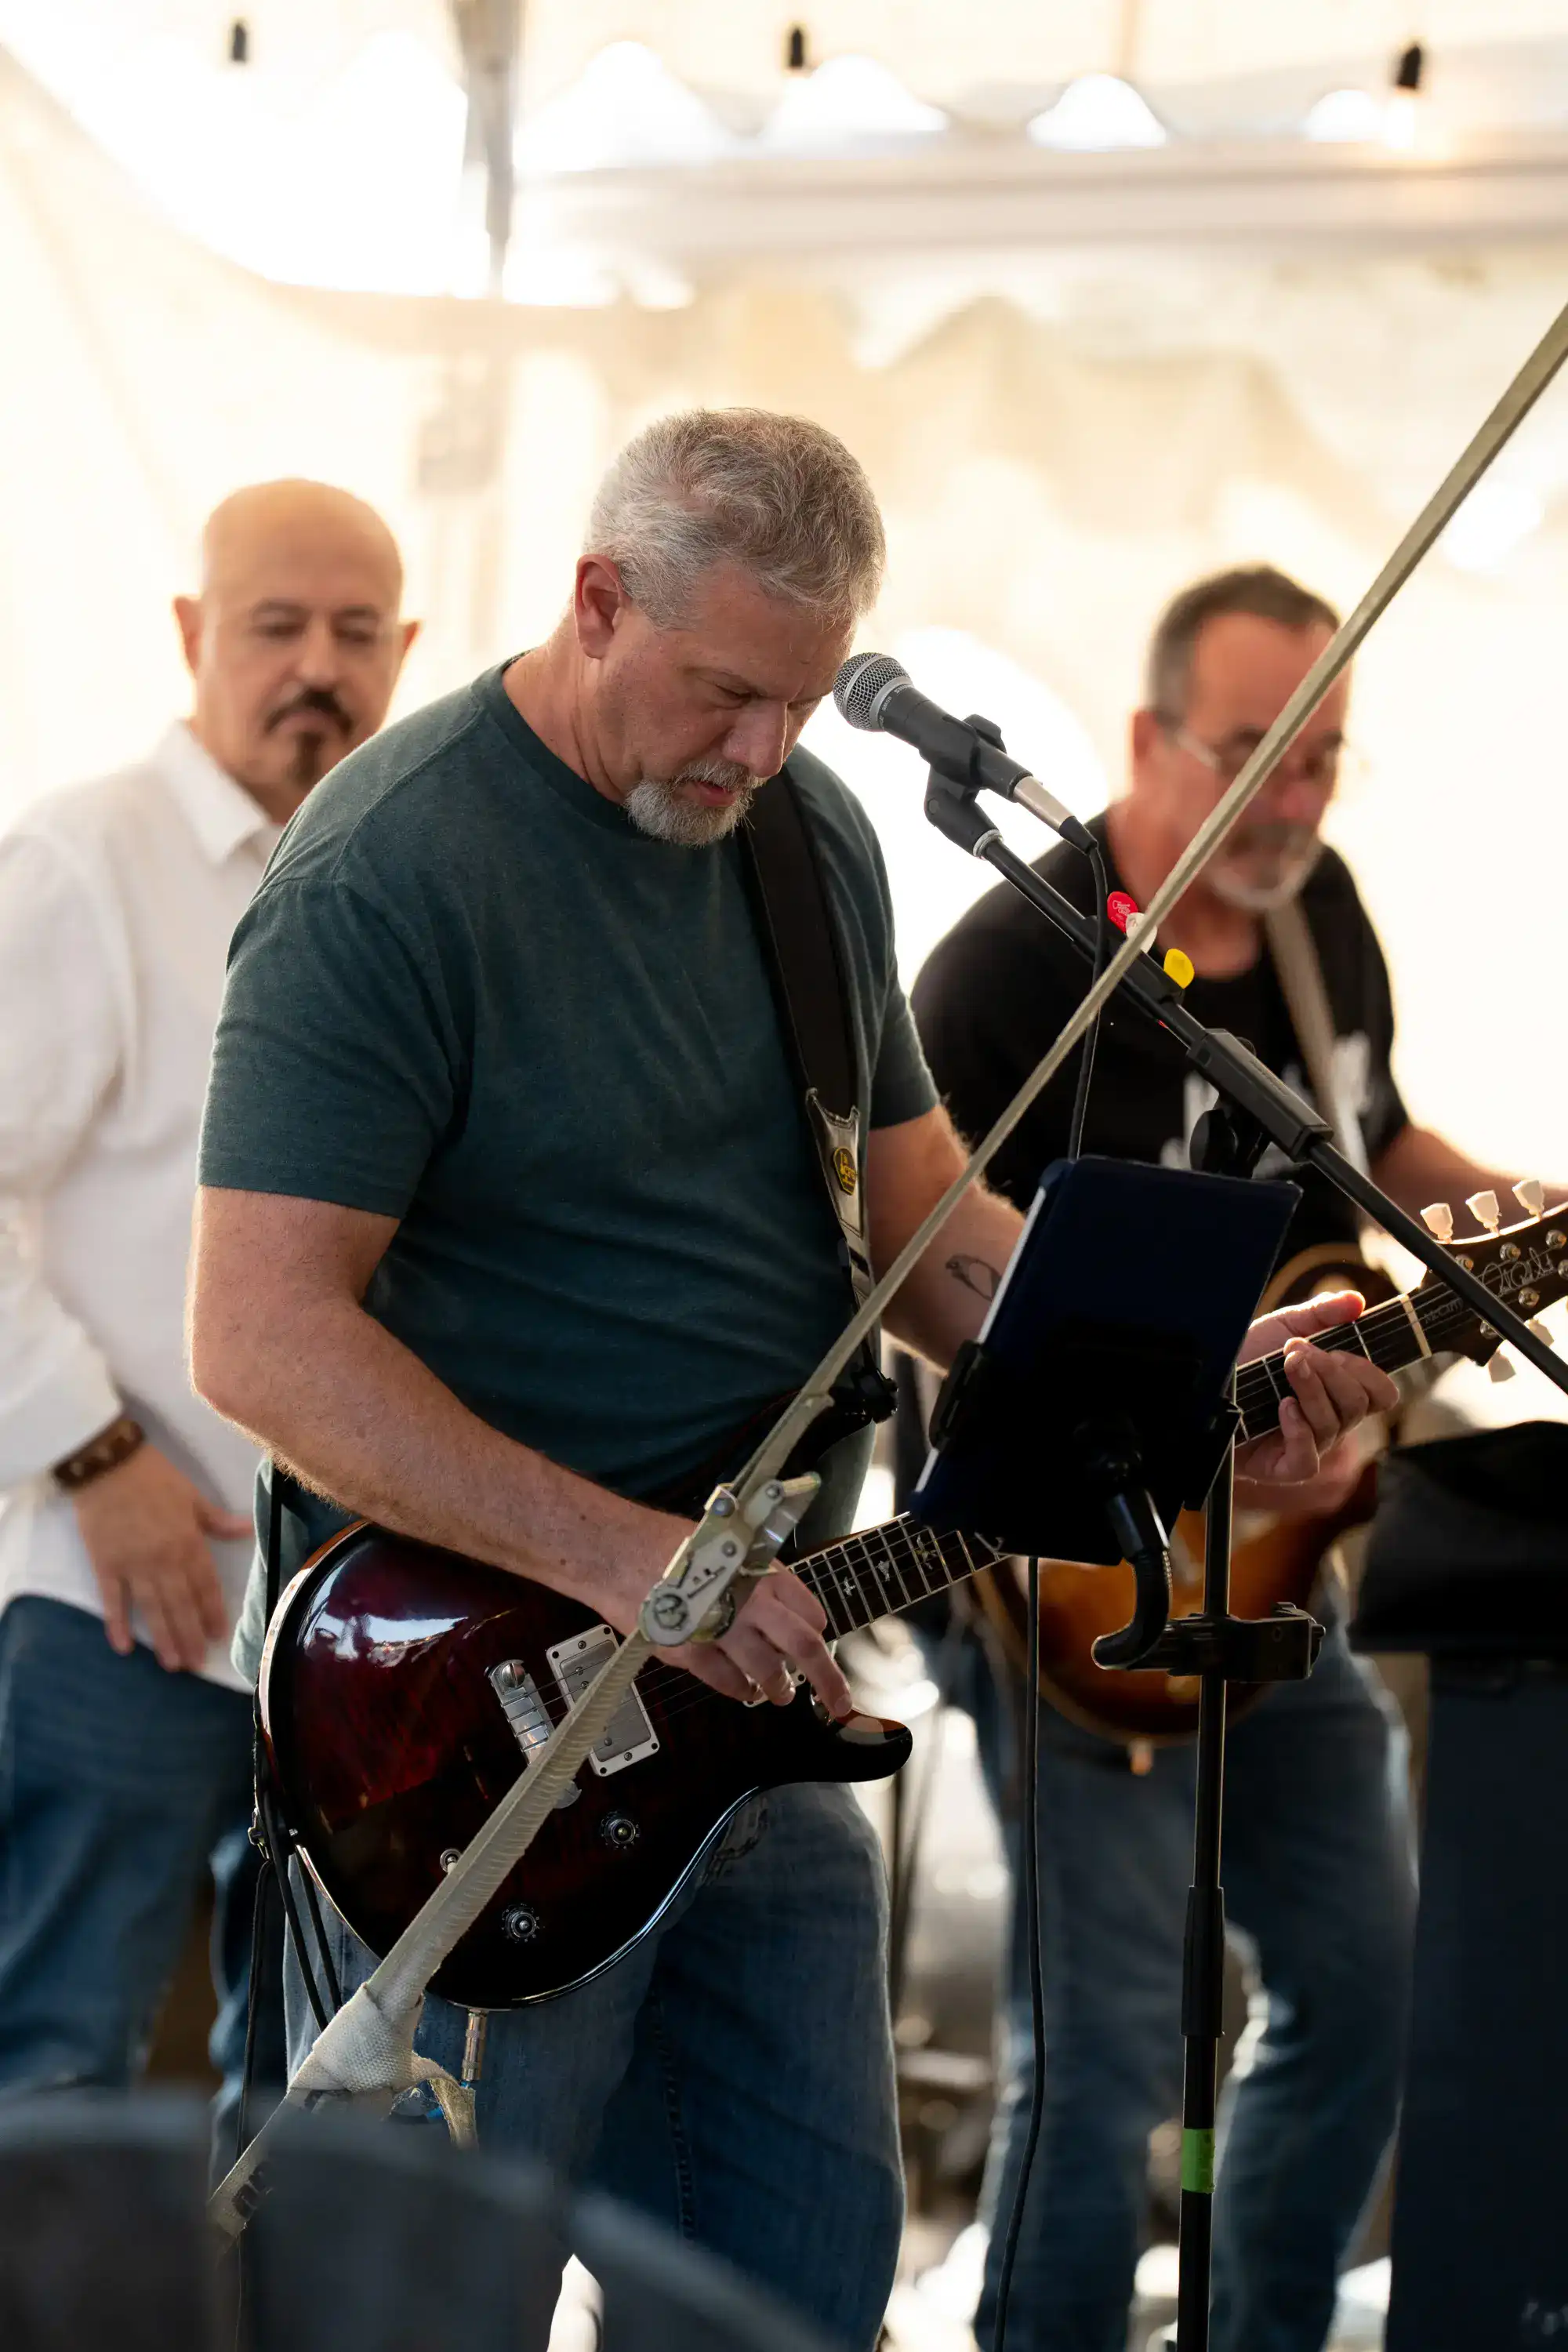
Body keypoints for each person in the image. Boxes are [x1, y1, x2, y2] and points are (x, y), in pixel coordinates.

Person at [186, 430, 1394, 2349]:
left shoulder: (809, 836)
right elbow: (260, 1338)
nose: (757, 751)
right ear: (597, 601)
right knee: (431, 2310)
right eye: (724, 694)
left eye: (801, 700)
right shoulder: (389, 871)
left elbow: (916, 1221)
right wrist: (628, 1560)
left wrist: (1169, 1374)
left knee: (792, 2298)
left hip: (760, 1701)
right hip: (473, 1724)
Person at [908, 564, 1552, 2352]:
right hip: (1064, 1586)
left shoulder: (1324, 909)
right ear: (1142, 738)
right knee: (1106, 2045)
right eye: (1253, 754)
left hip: (1282, 1575)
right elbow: (937, 1301)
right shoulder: (1003, 974)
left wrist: (1525, 1220)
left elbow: (1370, 1141)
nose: (1291, 804)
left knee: (1364, 1983)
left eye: (1323, 760)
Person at [0, 481, 416, 2136]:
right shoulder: (84, 865)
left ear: (407, 653)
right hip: (118, 1588)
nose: (316, 667)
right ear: (191, 637)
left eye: (355, 633)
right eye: (275, 626)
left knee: (318, 2095)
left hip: (352, 1618)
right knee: (55, 2070)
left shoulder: (399, 875)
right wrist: (93, 1457)